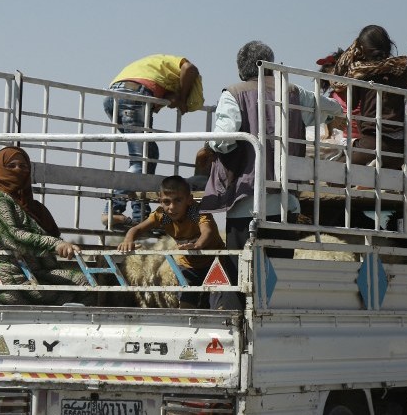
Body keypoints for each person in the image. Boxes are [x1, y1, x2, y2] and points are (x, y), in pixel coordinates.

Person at [200, 40, 342, 262]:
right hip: (285, 202)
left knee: (243, 277)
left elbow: (223, 140)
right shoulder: (293, 92)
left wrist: (209, 146)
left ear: (240, 69)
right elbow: (333, 108)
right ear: (271, 65)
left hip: (244, 201)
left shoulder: (233, 94)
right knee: (277, 276)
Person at [0, 146, 93, 305]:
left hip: (34, 275)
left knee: (84, 281)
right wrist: (55, 245)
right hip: (10, 283)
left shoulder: (26, 205)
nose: (18, 170)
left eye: (23, 166)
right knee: (82, 288)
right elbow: (13, 237)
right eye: (11, 166)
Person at [102, 54, 205, 228]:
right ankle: (112, 209)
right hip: (134, 94)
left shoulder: (160, 71)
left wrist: (169, 100)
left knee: (148, 153)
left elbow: (167, 95)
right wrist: (181, 97)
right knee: (141, 158)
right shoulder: (179, 65)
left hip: (114, 96)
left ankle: (140, 215)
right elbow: (190, 69)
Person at [117, 175, 230, 309]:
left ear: (189, 200)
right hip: (188, 264)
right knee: (186, 304)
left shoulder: (195, 212)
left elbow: (208, 231)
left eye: (178, 201)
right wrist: (128, 240)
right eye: (166, 202)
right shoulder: (163, 216)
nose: (172, 207)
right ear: (160, 201)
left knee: (218, 306)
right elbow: (137, 229)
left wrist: (197, 245)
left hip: (213, 262)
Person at [331, 25, 407, 168]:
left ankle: (371, 163)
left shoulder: (361, 73)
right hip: (404, 146)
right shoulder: (404, 69)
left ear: (361, 50)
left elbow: (352, 103)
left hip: (374, 142)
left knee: (333, 170)